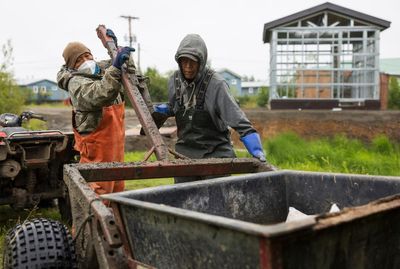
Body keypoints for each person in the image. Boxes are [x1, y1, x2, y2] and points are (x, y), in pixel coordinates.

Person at [154, 34, 266, 183]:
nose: (187, 67)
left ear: (201, 62)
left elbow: (238, 119)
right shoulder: (174, 81)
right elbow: (175, 106)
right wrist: (163, 111)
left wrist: (256, 150)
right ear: (179, 61)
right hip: (185, 155)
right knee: (184, 200)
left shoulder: (216, 85)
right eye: (184, 61)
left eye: (192, 62)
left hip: (216, 155)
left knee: (216, 201)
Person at [57, 30, 135, 196]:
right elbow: (99, 94)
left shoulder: (102, 72)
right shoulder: (75, 82)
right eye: (79, 60)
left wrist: (115, 47)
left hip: (116, 151)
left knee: (117, 192)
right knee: (98, 193)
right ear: (72, 66)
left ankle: (116, 221)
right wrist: (115, 67)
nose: (86, 61)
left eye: (87, 56)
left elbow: (128, 69)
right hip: (96, 154)